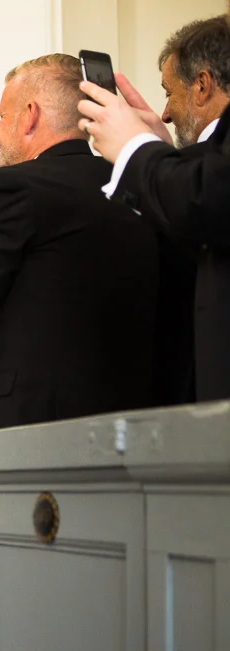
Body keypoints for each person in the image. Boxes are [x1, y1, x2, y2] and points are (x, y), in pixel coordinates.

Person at [0, 55, 162, 429]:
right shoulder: (138, 183)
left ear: (30, 115)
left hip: (39, 425)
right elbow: (25, 199)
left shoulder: (18, 191)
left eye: (2, 117)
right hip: (136, 417)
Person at [79, 15, 230, 401]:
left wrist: (136, 150)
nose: (165, 112)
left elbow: (206, 198)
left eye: (168, 92)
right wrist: (163, 155)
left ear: (202, 85)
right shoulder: (197, 160)